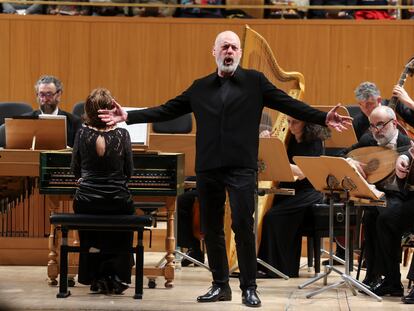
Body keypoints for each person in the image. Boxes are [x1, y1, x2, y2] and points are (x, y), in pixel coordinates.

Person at [97, 30, 352, 308]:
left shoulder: (255, 82)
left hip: (242, 168)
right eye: (224, 47)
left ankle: (249, 288)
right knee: (211, 228)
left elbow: (289, 104)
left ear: (240, 53)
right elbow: (167, 110)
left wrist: (323, 117)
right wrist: (129, 117)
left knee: (243, 225)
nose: (229, 51)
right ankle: (220, 285)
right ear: (214, 52)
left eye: (234, 47)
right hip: (209, 168)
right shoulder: (200, 87)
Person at [71, 88, 135, 295]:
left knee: (92, 235)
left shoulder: (81, 134)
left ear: (88, 111)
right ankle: (117, 276)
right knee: (120, 233)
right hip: (118, 201)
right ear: (110, 110)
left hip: (87, 200)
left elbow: (75, 170)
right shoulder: (123, 134)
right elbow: (129, 172)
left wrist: (87, 180)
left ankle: (96, 276)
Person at [344, 106, 411, 291]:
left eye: (380, 125)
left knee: (384, 216)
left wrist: (404, 159)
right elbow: (343, 155)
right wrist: (352, 162)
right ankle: (373, 276)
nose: (376, 130)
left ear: (394, 123)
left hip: (402, 198)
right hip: (377, 195)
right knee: (370, 216)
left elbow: (410, 157)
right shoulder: (368, 140)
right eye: (372, 126)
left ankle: (390, 279)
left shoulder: (406, 142)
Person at [257, 116, 330, 278]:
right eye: (288, 122)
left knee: (272, 217)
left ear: (306, 122)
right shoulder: (287, 138)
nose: (290, 126)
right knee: (263, 215)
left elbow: (304, 173)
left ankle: (279, 269)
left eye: (295, 122)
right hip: (289, 190)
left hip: (308, 193)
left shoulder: (314, 141)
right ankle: (263, 265)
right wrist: (267, 144)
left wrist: (278, 160)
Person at [22, 75, 81, 148]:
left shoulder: (74, 122)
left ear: (58, 95)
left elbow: (79, 152)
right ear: (37, 95)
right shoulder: (25, 121)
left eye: (49, 94)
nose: (45, 99)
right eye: (41, 94)